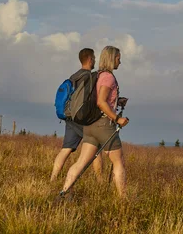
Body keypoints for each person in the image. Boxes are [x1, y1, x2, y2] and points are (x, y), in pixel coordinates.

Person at [61, 45, 129, 197]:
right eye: (118, 58)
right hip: (104, 125)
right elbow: (101, 102)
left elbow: (99, 100)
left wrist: (117, 102)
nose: (120, 61)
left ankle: (64, 192)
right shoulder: (108, 77)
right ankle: (124, 201)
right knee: (119, 162)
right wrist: (118, 118)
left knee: (81, 162)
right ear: (112, 58)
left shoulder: (96, 75)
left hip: (89, 126)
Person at [50, 48, 103, 182]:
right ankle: (100, 181)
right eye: (94, 58)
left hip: (69, 117)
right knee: (96, 149)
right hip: (82, 118)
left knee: (66, 149)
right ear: (90, 59)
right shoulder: (89, 78)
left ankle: (53, 178)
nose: (95, 60)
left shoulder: (73, 77)